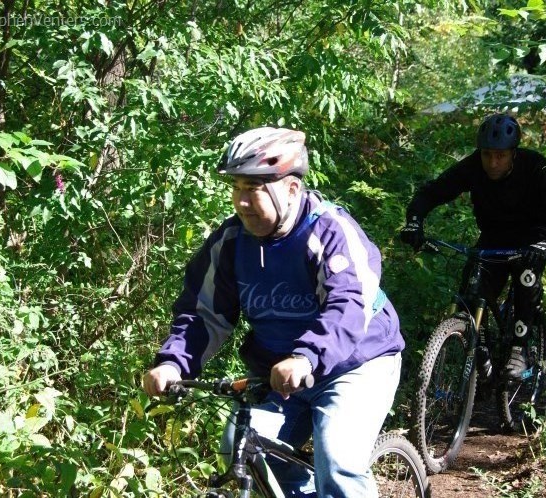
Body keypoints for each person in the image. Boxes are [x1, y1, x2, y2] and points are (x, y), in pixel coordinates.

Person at [143, 126, 405, 497]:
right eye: (236, 188)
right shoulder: (231, 244)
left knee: (338, 461)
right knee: (238, 445)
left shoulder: (330, 231)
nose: (241, 201)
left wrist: (307, 357)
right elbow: (204, 314)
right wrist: (174, 363)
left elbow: (349, 303)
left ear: (292, 188)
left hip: (357, 364)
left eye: (253, 188)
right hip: (282, 375)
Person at [400, 113, 546, 381]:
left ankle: (520, 350)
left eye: (501, 156)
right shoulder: (473, 166)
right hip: (495, 236)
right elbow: (433, 191)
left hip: (534, 238)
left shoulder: (536, 168)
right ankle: (479, 348)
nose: (493, 163)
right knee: (471, 289)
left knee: (525, 275)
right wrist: (415, 222)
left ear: (513, 153)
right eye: (487, 155)